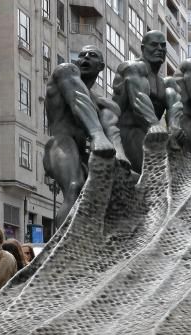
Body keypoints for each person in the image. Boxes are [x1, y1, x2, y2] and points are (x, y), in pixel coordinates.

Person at [45, 46, 126, 224]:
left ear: (101, 67)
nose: (85, 58)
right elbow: (77, 100)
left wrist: (119, 153)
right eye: (82, 55)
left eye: (92, 55)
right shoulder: (65, 72)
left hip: (84, 153)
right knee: (74, 187)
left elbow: (112, 121)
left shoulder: (103, 103)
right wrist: (97, 134)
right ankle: (62, 246)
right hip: (60, 144)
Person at [113, 31, 169, 171]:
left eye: (163, 46)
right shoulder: (132, 67)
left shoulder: (165, 82)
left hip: (151, 136)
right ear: (143, 48)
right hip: (127, 133)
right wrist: (154, 124)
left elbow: (175, 106)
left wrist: (175, 129)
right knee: (155, 172)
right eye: (154, 45)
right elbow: (139, 99)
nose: (160, 49)